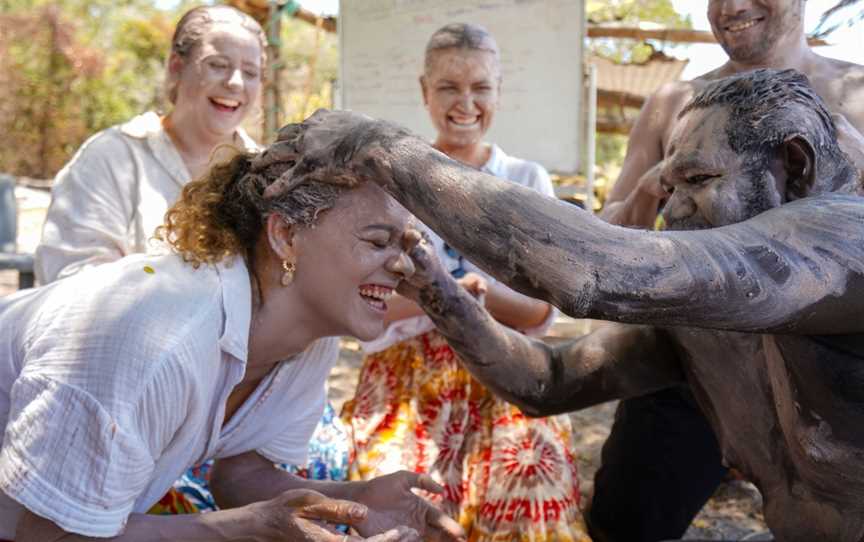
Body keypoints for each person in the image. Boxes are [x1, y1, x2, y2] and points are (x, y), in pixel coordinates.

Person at [265, 67, 864, 541]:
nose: (674, 211)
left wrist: (375, 146)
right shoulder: (706, 322)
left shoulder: (842, 239)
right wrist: (438, 292)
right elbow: (549, 380)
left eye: (700, 181)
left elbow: (593, 271)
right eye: (669, 187)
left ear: (794, 167)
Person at [0, 130, 468, 541]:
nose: (405, 266)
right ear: (286, 236)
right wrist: (248, 526)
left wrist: (355, 499)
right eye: (377, 241)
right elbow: (44, 534)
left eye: (406, 246)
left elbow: (239, 472)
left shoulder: (309, 336)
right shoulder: (156, 340)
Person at [593, 0, 864, 539]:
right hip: (693, 363)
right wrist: (656, 186)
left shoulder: (858, 98)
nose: (732, 6)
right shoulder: (673, 103)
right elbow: (610, 238)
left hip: (828, 384)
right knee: (623, 525)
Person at [340, 24, 586, 541]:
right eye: (449, 87)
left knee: (528, 470)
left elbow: (542, 313)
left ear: (498, 92)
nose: (465, 103)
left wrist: (482, 296)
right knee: (401, 503)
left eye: (481, 88)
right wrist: (441, 299)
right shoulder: (388, 183)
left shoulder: (525, 181)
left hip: (505, 368)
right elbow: (365, 309)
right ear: (424, 91)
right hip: (405, 375)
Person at [35, 5, 263, 283]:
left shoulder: (268, 175)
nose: (235, 82)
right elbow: (71, 281)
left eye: (251, 72)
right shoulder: (110, 158)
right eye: (218, 65)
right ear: (176, 66)